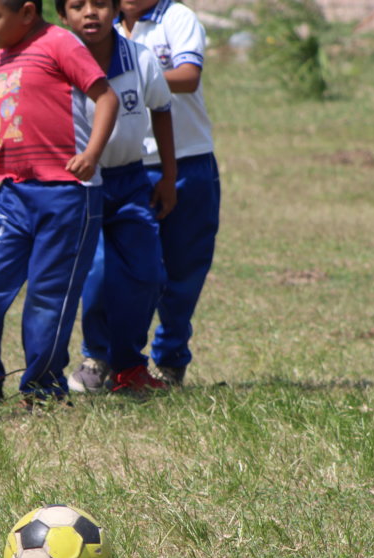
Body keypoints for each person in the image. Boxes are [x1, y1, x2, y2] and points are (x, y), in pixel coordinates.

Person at [0, 0, 119, 414]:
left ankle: (43, 392)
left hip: (68, 194)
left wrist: (91, 152)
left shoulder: (60, 43)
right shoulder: (6, 51)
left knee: (47, 299)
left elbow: (105, 97)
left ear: (28, 12)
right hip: (14, 192)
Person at [57, 0, 179, 395]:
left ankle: (129, 365)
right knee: (96, 275)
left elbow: (161, 110)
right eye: (77, 6)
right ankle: (96, 357)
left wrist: (169, 175)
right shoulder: (55, 60)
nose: (90, 13)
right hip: (82, 186)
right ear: (63, 16)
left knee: (147, 275)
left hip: (131, 180)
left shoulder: (140, 58)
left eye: (100, 4)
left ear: (115, 10)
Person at [111, 0, 222, 386]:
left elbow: (188, 76)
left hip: (188, 160)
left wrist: (128, 77)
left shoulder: (177, 18)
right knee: (130, 270)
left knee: (184, 268)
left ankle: (171, 358)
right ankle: (114, 359)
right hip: (127, 163)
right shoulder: (100, 23)